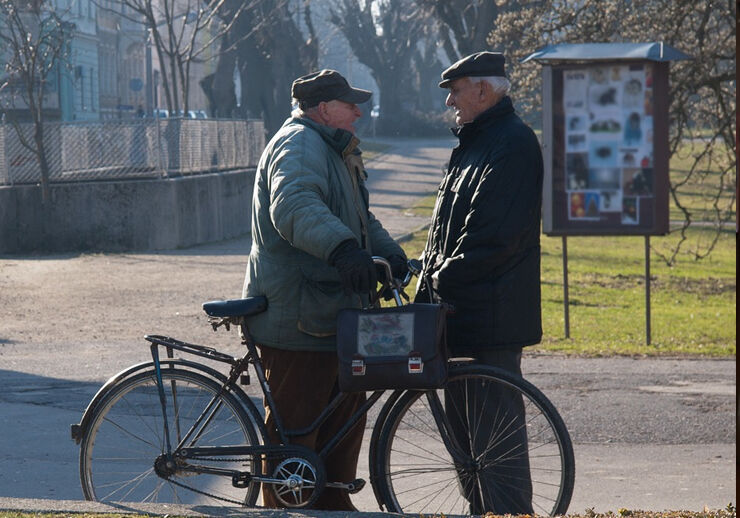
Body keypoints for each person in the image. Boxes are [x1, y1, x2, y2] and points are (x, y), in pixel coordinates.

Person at [241, 69, 407, 510]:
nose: (359, 111)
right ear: (322, 109)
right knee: (297, 430)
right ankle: (287, 508)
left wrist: (393, 257)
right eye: (349, 104)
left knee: (344, 415)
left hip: (332, 313)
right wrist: (343, 251)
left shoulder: (333, 149)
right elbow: (293, 205)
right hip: (298, 316)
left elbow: (361, 219)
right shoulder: (298, 144)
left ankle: (333, 502)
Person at [415, 51, 543, 514]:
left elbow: (493, 237)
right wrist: (425, 274)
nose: (450, 100)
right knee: (469, 449)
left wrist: (437, 277)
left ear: (483, 91)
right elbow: (447, 230)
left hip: (491, 318)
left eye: (455, 90)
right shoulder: (475, 143)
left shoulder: (511, 143)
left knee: (495, 448)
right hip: (461, 315)